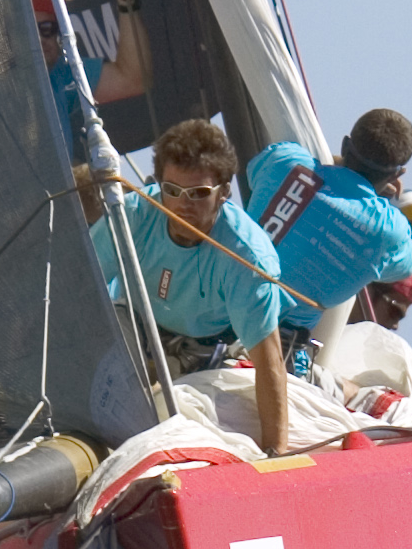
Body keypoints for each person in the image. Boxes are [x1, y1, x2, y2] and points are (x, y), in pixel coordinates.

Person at [90, 119, 290, 455]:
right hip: (135, 327)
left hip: (205, 353)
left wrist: (277, 453)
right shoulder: (134, 213)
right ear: (159, 185)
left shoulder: (247, 257)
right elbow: (82, 288)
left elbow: (269, 363)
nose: (183, 204)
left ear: (224, 192)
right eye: (172, 190)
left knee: (169, 413)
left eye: (198, 194)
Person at [243, 110, 412, 358]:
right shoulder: (389, 232)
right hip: (281, 355)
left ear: (346, 145)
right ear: (397, 174)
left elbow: (254, 173)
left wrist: (337, 166)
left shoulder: (287, 161)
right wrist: (379, 197)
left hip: (213, 317)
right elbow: (405, 268)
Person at [38, 0, 150, 157]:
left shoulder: (60, 76)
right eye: (30, 32)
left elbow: (133, 79)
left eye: (48, 29)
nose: (41, 39)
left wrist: (127, 1)